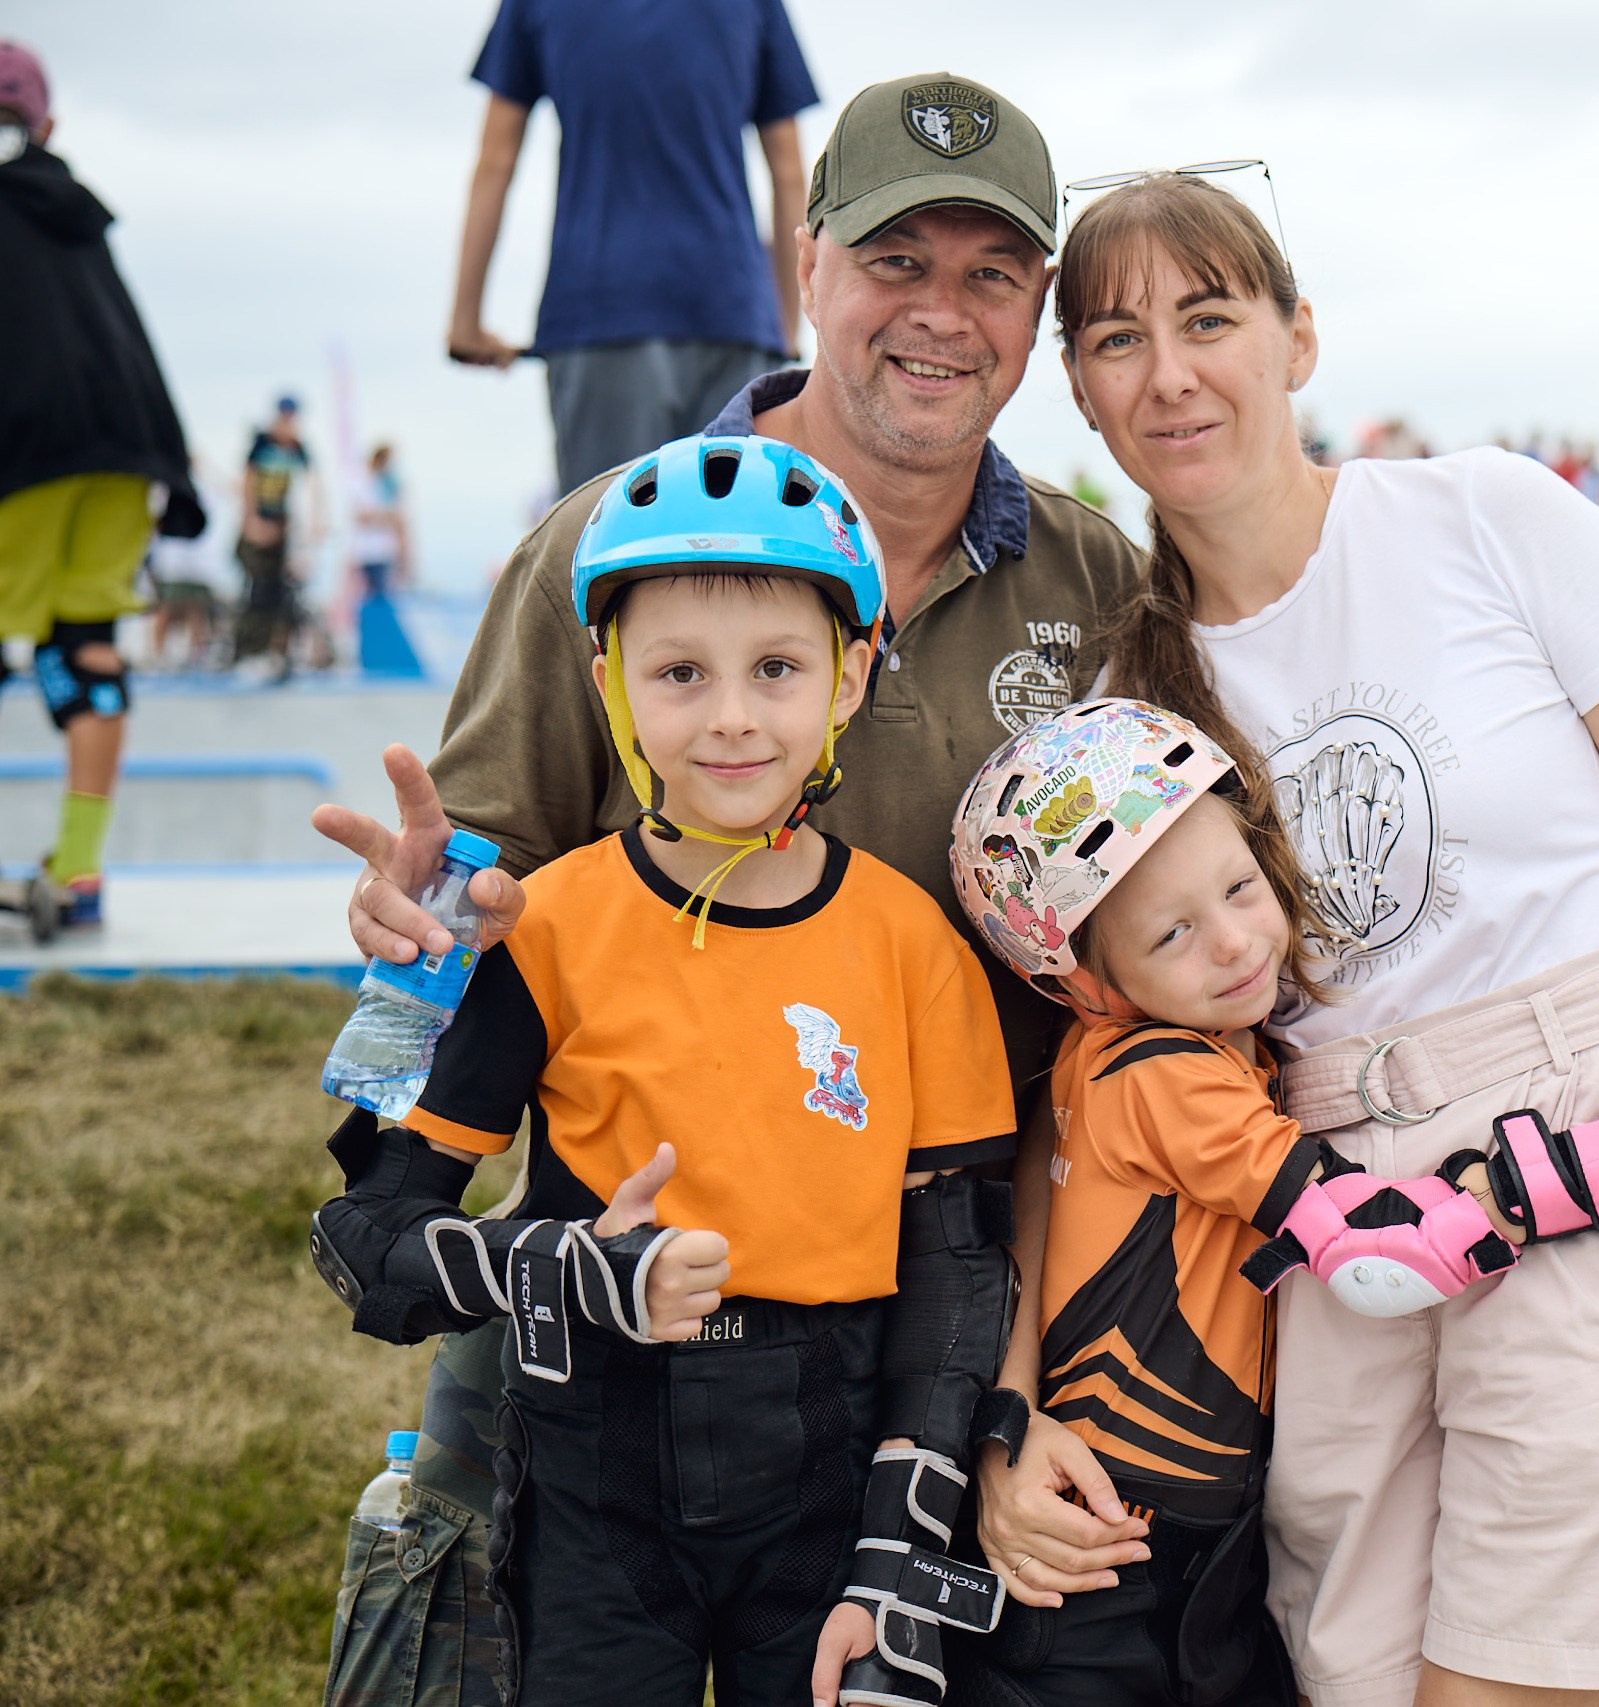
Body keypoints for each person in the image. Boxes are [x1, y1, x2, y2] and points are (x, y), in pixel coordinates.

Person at [314, 73, 1146, 1707]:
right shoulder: (604, 552)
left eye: (991, 273)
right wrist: (412, 950)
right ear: (806, 260)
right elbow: (466, 885)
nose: (941, 312)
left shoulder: (1093, 576)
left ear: (1037, 306)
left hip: (956, 1239)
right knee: (483, 1614)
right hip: (618, 1255)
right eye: (896, 260)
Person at [1036, 171, 1599, 1706]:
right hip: (1334, 1206)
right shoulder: (1127, 700)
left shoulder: (1489, 518)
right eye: (1117, 339)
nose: (1170, 374)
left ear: (1298, 337)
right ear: (1079, 388)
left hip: (1596, 1136)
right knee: (1353, 1674)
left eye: (1209, 319)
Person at [311, 432, 1026, 1705]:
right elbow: (364, 1235)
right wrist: (556, 1267)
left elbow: (958, 1268)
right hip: (596, 1469)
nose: (733, 715)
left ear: (850, 677)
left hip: (828, 1468)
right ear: (611, 685)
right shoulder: (545, 925)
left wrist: (900, 1539)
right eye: (681, 673)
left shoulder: (915, 946)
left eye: (777, 668)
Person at [927, 697, 1599, 1707]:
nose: (1234, 944)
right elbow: (1376, 1257)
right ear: (1087, 984)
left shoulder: (1126, 1053)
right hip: (1121, 1547)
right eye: (1173, 934)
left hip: (1156, 1530)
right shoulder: (1163, 1078)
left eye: (1239, 888)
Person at [446, 0, 822, 491]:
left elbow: (496, 161)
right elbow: (789, 172)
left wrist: (466, 321)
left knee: (609, 528)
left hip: (600, 310)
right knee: (734, 530)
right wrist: (784, 324)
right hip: (733, 313)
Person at [0, 36, 205, 929]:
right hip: (127, 455)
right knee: (85, 649)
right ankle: (79, 869)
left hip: (24, 451)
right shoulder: (76, 210)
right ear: (46, 124)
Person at [233, 396, 315, 677]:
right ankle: (248, 651)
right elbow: (248, 481)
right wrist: (251, 520)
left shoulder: (299, 448)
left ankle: (278, 653)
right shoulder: (262, 445)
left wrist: (310, 526)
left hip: (286, 529)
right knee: (258, 591)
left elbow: (310, 484)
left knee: (285, 593)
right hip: (260, 525)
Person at [352, 442, 410, 600]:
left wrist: (404, 554)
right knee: (369, 596)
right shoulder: (363, 483)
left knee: (385, 595)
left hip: (386, 552)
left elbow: (399, 519)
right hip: (367, 552)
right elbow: (361, 517)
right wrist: (386, 517)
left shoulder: (391, 485)